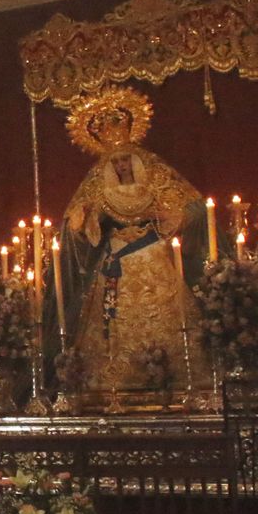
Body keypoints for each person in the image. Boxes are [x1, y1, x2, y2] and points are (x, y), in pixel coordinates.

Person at [57, 86, 212, 402]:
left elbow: (189, 207)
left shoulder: (156, 177)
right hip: (115, 256)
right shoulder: (98, 185)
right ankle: (111, 382)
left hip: (152, 251)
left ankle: (173, 377)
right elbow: (80, 224)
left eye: (126, 161)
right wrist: (84, 219)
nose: (122, 167)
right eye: (116, 164)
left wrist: (168, 215)